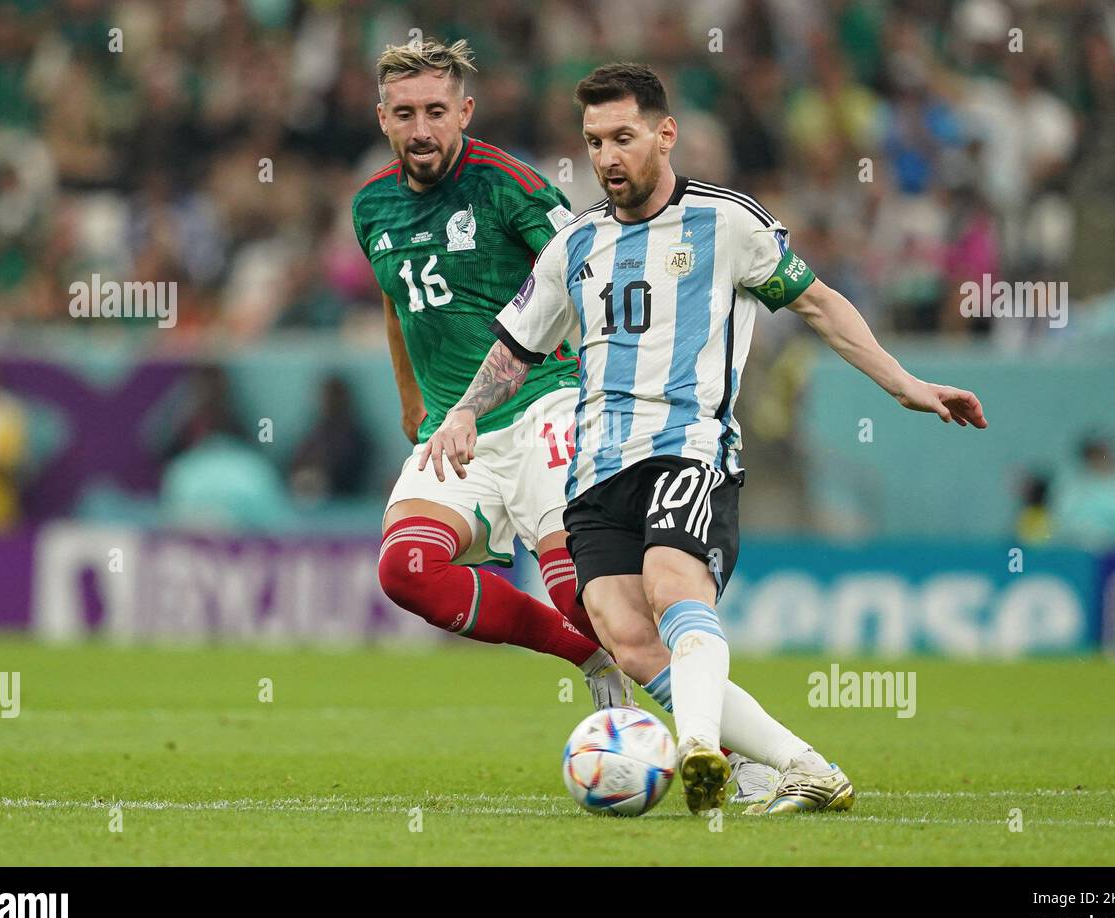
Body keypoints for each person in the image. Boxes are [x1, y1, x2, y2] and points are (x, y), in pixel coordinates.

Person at [423, 63, 988, 814]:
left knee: (673, 586)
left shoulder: (727, 222)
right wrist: (463, 410)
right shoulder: (575, 245)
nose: (608, 157)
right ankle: (809, 768)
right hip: (594, 472)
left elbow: (819, 304)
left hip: (689, 448)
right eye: (594, 142)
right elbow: (515, 346)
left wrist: (903, 382)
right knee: (625, 637)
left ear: (666, 134)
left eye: (623, 137)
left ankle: (695, 747)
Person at [351, 38, 632, 709]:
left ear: (466, 112)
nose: (422, 129)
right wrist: (410, 402)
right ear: (382, 118)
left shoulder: (513, 187)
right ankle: (590, 661)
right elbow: (397, 303)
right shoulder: (370, 207)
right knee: (407, 569)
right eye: (406, 112)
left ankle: (739, 751)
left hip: (545, 407)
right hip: (454, 431)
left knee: (583, 594)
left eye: (437, 111)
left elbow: (595, 279)